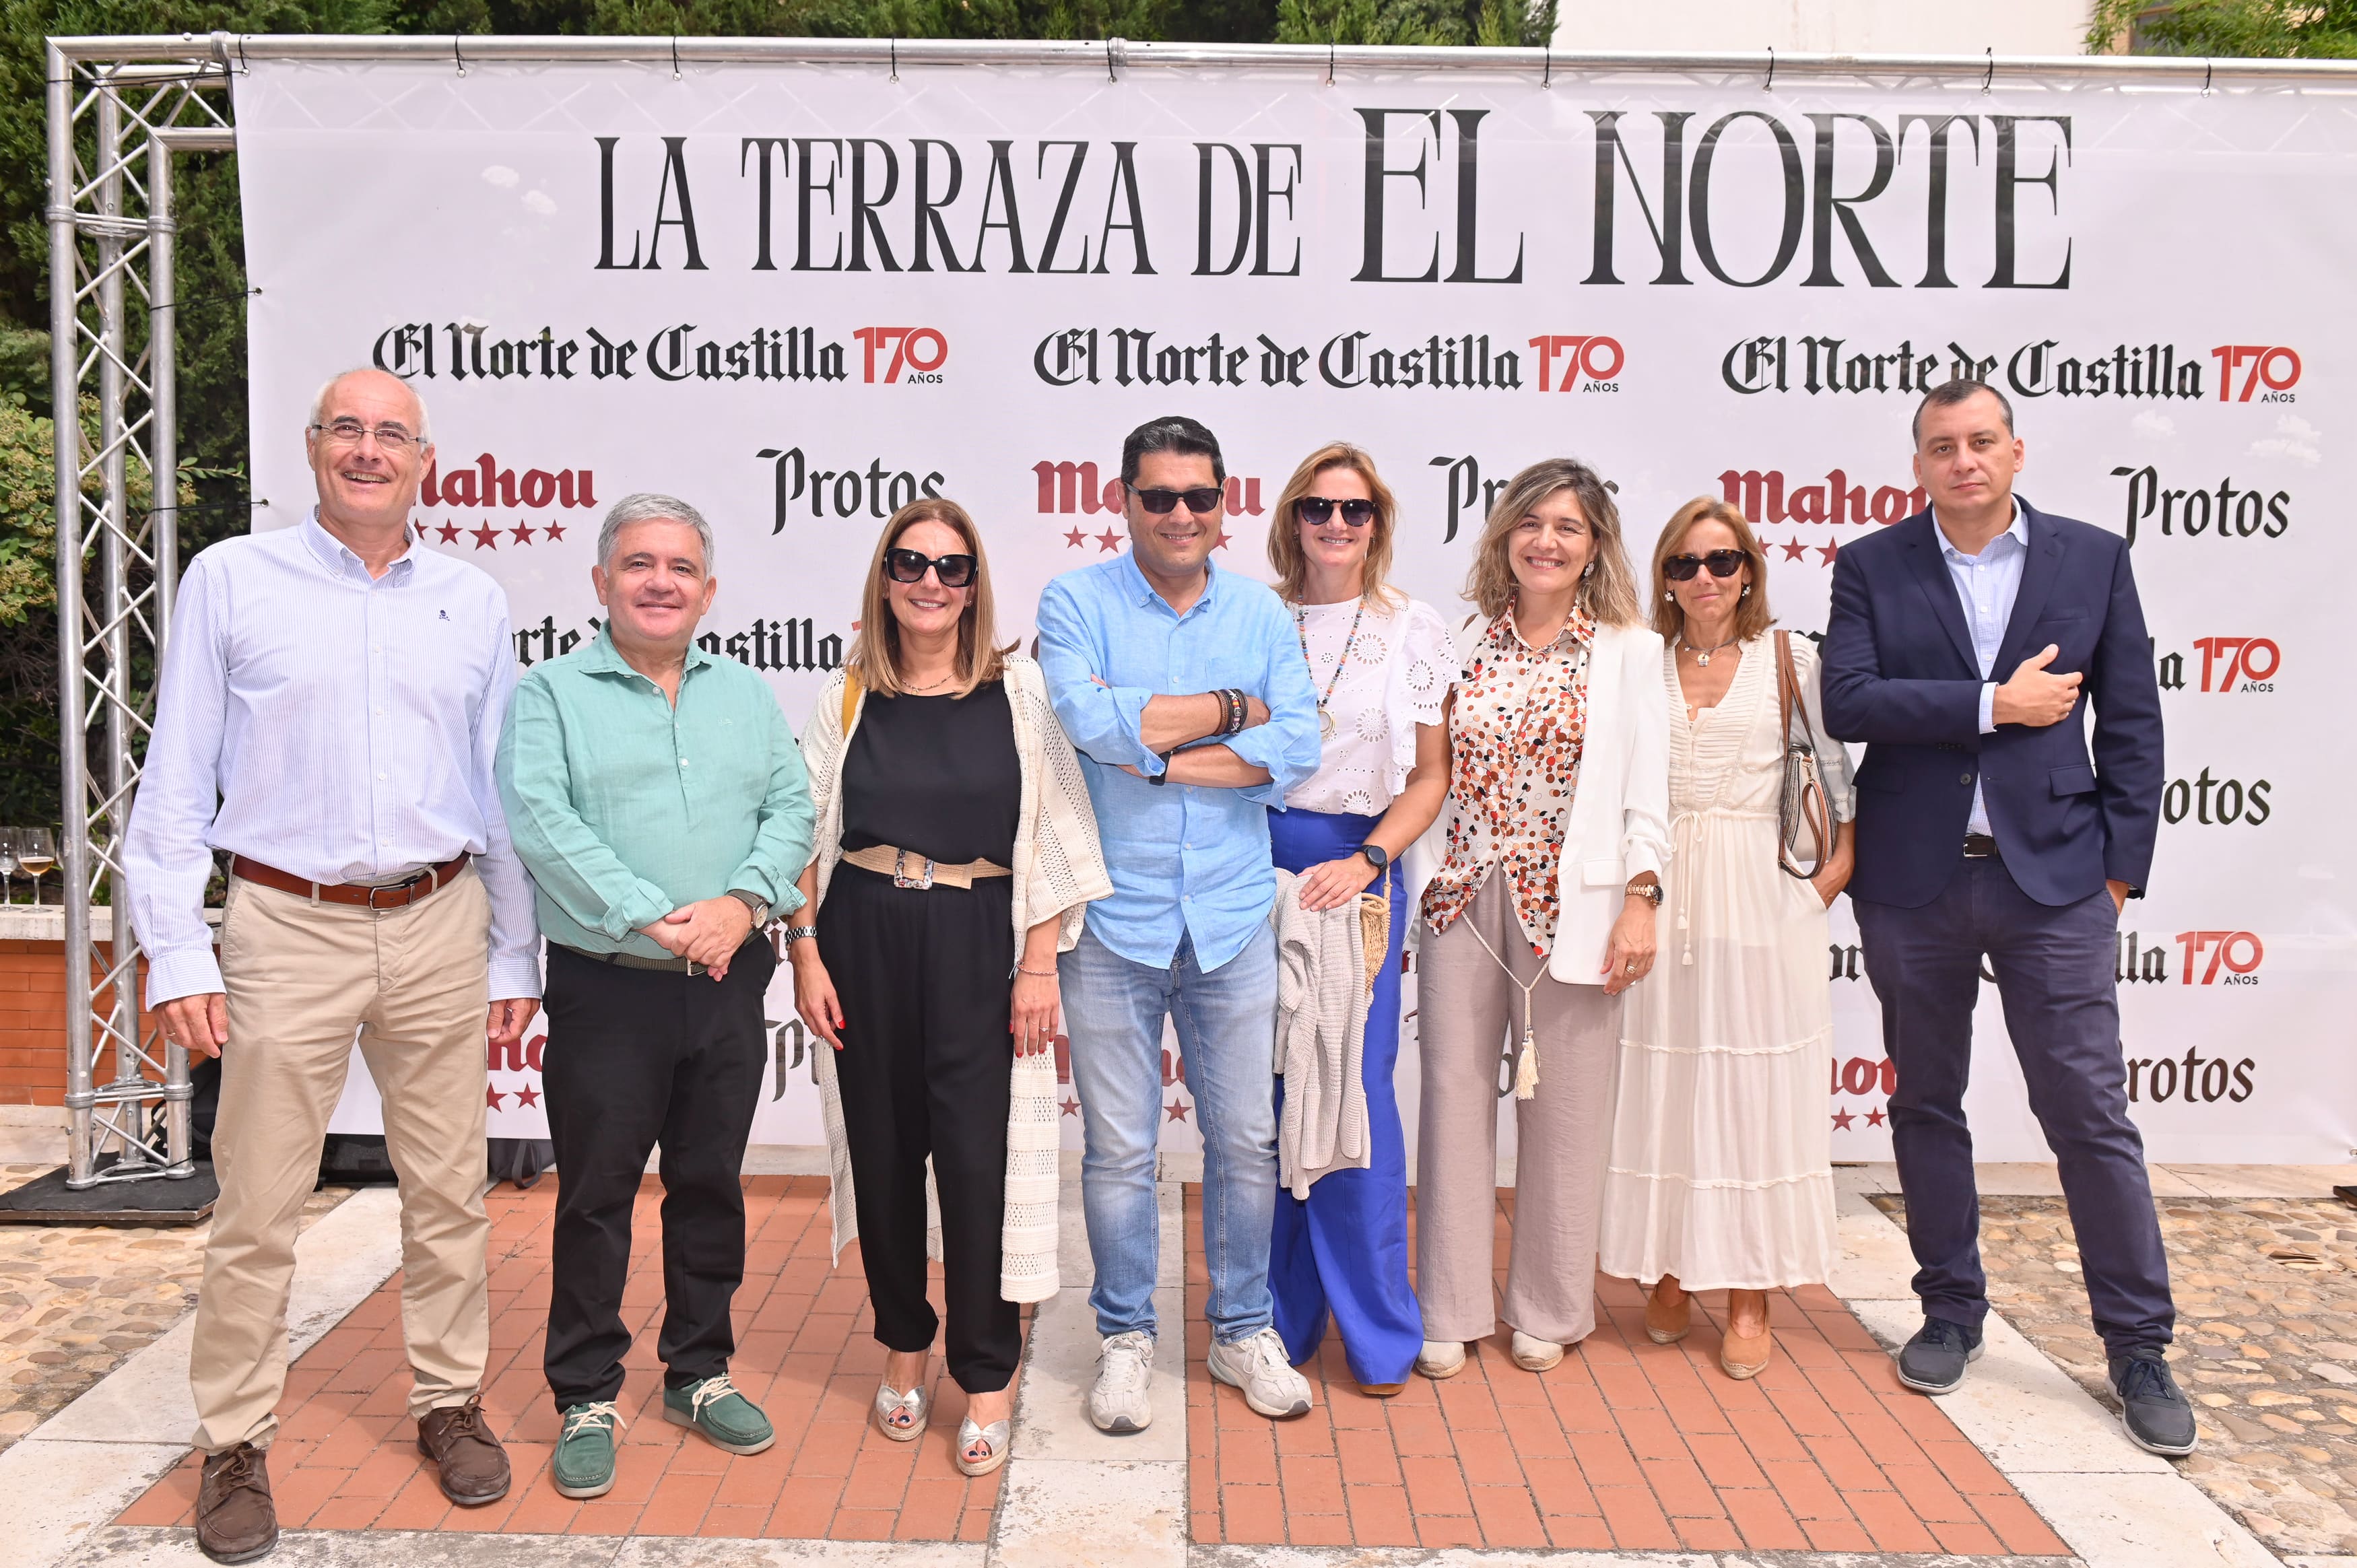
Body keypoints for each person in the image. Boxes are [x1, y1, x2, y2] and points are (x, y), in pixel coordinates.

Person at [125, 368, 542, 1563]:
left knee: (451, 1190)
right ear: (313, 449)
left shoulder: (472, 598)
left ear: (427, 463)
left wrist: (513, 954)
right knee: (257, 1203)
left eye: (392, 436)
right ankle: (235, 1440)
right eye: (348, 430)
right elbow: (174, 778)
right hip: (282, 923)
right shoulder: (232, 580)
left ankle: (448, 1400)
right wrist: (176, 950)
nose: (370, 450)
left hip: (437, 916)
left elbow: (493, 793)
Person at [1820, 380, 2189, 1455]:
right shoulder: (1872, 564)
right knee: (1927, 1101)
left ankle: (2139, 1343)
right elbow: (1851, 701)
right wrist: (1993, 702)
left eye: (1982, 441)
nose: (1964, 460)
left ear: (2016, 450)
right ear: (1919, 464)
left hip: (2056, 882)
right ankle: (1950, 1308)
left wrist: (2118, 872)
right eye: (1943, 446)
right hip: (1914, 879)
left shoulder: (2091, 557)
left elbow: (2133, 719)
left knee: (2087, 1110)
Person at [496, 492, 815, 1500]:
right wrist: (653, 914)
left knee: (712, 1185)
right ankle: (587, 1390)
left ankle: (698, 1370)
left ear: (708, 589)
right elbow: (541, 822)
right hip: (609, 985)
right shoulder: (550, 694)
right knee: (595, 1195)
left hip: (728, 978)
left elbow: (793, 805)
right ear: (601, 582)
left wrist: (740, 901)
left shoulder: (747, 694)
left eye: (680, 567)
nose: (660, 582)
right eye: (639, 564)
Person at [789, 499, 1113, 1476]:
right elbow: (799, 829)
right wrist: (804, 950)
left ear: (976, 586)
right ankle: (903, 1338)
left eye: (953, 567)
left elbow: (1058, 830)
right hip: (860, 934)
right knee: (886, 1156)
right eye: (912, 561)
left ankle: (985, 1368)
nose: (932, 581)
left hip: (982, 940)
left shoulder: (1018, 691)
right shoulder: (847, 694)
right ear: (884, 577)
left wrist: (1039, 963)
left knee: (980, 1165)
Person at [1036, 414, 1323, 1430]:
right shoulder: (1075, 600)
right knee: (1119, 1150)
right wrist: (1227, 711)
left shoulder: (1260, 610)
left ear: (1222, 505)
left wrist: (1153, 741)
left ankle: (1244, 1328)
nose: (1180, 514)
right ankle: (1126, 1337)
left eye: (1199, 497)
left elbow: (1294, 747)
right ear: (1122, 501)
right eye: (1158, 496)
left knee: (1244, 1139)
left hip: (1235, 917)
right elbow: (1087, 720)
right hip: (1115, 919)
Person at [1414, 458, 1669, 1381]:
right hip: (1461, 899)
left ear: (1594, 544)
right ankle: (1447, 1306)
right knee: (1450, 1103)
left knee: (1566, 1113)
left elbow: (1651, 791)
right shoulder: (1459, 641)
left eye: (1567, 526)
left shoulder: (1632, 653)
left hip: (1580, 902)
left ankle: (1550, 1308)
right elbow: (1426, 773)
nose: (1546, 541)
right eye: (1530, 523)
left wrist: (1641, 899)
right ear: (1503, 537)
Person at [1599, 498, 1856, 1380]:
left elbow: (1842, 787)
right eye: (1683, 564)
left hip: (1763, 902)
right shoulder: (1642, 666)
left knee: (1753, 1100)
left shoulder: (1793, 660)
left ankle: (1750, 1292)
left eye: (1720, 561)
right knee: (1664, 1084)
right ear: (1664, 578)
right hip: (1662, 895)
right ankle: (1670, 1267)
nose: (1702, 579)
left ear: (1748, 570)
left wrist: (1816, 894)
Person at [1261, 444, 1453, 1396]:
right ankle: (1274, 1318)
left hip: (1357, 870)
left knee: (1353, 1093)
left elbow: (1430, 776)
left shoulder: (1412, 626)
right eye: (1318, 507)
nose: (1336, 524)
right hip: (1245, 869)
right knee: (1262, 1101)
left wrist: (1368, 858)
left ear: (1378, 522)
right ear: (1293, 517)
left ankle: (1378, 1329)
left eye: (1356, 509)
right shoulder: (1248, 614)